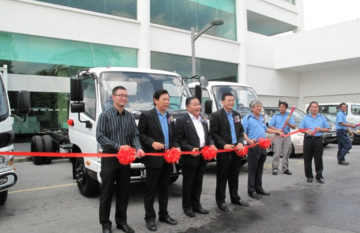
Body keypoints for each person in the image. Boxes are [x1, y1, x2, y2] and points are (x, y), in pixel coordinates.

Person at [96, 86, 145, 233]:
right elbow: (100, 136)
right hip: (110, 158)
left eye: (125, 95)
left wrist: (138, 148)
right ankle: (105, 224)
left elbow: (134, 135)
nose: (123, 98)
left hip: (126, 160)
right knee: (107, 192)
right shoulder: (105, 115)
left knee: (124, 192)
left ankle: (121, 222)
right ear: (113, 97)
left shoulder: (129, 116)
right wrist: (118, 147)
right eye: (120, 95)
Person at [138, 89, 179, 232]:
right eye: (164, 99)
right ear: (155, 100)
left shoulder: (170, 116)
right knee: (150, 190)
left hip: (168, 159)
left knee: (164, 188)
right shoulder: (147, 115)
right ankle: (149, 218)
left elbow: (174, 136)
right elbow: (140, 135)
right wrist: (152, 143)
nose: (167, 102)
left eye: (168, 99)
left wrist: (176, 147)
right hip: (154, 159)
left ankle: (163, 214)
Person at [176, 97, 216, 218]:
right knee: (188, 183)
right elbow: (179, 139)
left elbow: (208, 135)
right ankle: (187, 207)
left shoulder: (203, 119)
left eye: (199, 104)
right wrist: (189, 149)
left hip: (202, 155)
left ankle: (197, 205)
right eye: (195, 105)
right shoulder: (182, 120)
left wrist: (211, 144)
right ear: (188, 107)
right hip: (190, 156)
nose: (198, 107)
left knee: (198, 182)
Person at [210, 92, 249, 212]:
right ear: (222, 102)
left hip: (236, 150)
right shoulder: (216, 115)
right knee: (222, 177)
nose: (231, 102)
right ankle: (221, 201)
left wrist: (241, 142)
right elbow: (213, 133)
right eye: (228, 100)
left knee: (234, 176)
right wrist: (223, 144)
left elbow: (241, 130)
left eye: (233, 100)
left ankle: (235, 197)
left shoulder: (236, 115)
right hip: (224, 151)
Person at [242, 100, 282, 200]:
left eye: (260, 106)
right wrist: (249, 141)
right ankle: (251, 190)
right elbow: (243, 132)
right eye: (257, 106)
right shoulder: (247, 118)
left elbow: (266, 129)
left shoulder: (261, 118)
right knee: (252, 169)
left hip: (263, 146)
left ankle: (259, 188)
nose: (259, 108)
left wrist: (277, 131)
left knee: (260, 169)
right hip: (253, 146)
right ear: (252, 108)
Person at [299, 101, 330, 184]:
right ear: (309, 108)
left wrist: (321, 129)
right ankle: (309, 176)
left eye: (316, 107)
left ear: (318, 108)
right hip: (308, 140)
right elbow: (300, 129)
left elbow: (328, 129)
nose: (314, 108)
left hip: (318, 140)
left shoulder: (322, 117)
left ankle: (319, 176)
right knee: (307, 158)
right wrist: (306, 131)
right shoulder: (306, 118)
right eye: (313, 107)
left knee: (318, 158)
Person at [268, 101, 295, 175]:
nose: (281, 108)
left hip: (287, 135)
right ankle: (275, 168)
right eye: (280, 106)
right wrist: (277, 130)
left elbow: (294, 126)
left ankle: (285, 168)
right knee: (277, 152)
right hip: (278, 136)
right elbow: (270, 126)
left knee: (286, 153)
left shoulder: (289, 116)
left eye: (283, 107)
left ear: (286, 108)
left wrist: (288, 123)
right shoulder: (276, 116)